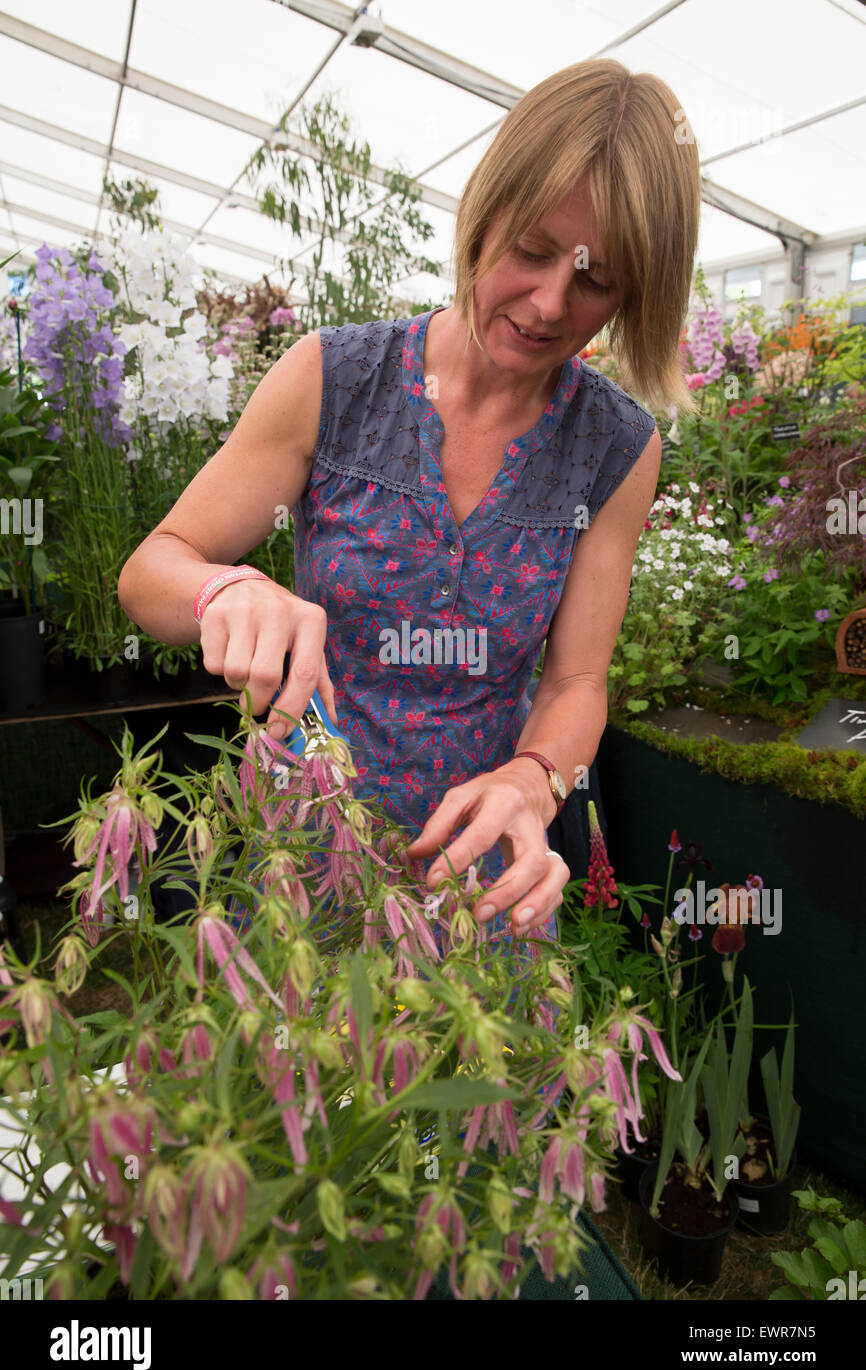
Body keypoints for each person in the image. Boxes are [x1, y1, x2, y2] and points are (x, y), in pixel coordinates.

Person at [117, 57, 701, 948]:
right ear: (484, 210)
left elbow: (579, 679)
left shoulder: (613, 449)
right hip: (304, 846)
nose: (548, 303)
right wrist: (225, 591)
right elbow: (152, 569)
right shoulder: (337, 380)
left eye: (595, 280)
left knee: (464, 1082)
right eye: (532, 252)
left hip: (482, 872)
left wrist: (535, 780)